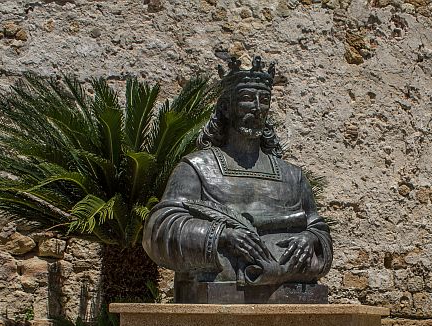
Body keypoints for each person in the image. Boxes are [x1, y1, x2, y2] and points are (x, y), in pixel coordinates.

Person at [143, 56, 333, 302]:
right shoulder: (198, 168)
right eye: (246, 98)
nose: (256, 107)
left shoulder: (292, 176)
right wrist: (222, 235)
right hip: (214, 293)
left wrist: (310, 240)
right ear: (225, 107)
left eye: (264, 100)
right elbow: (159, 228)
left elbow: (317, 227)